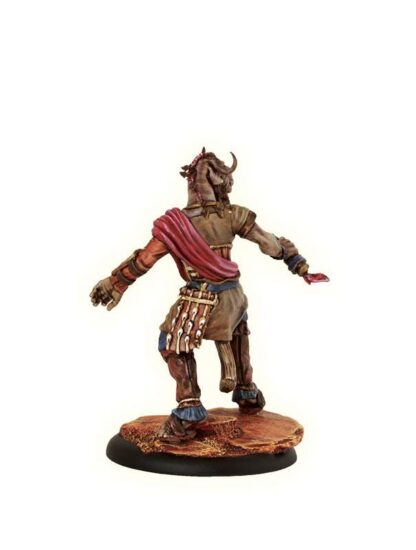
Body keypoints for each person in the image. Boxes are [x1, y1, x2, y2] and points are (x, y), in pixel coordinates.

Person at [90, 148, 311, 442]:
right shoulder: (233, 214)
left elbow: (144, 260)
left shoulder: (174, 225)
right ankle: (247, 390)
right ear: (216, 178)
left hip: (202, 299)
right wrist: (293, 259)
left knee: (171, 342)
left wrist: (115, 282)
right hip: (235, 296)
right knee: (238, 328)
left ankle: (188, 407)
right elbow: (269, 244)